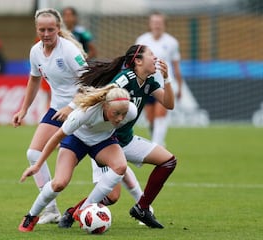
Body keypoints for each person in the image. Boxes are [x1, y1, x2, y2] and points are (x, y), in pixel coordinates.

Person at [59, 44, 177, 229]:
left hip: (126, 141)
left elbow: (169, 104)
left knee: (168, 161)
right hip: (105, 143)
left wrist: (167, 78)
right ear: (138, 61)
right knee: (112, 197)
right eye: (151, 55)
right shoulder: (124, 79)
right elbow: (98, 96)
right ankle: (73, 212)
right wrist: (71, 107)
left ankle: (142, 208)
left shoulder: (149, 82)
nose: (155, 58)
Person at [18, 84, 138, 232]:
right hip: (76, 140)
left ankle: (83, 209)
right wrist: (37, 165)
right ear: (105, 106)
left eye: (123, 113)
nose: (120, 118)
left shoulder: (131, 111)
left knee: (120, 166)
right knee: (59, 183)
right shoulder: (84, 113)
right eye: (116, 113)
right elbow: (56, 138)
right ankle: (31, 216)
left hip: (103, 141)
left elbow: (123, 130)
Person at [12, 8, 87, 225]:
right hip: (56, 110)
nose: (46, 34)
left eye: (50, 29)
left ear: (58, 28)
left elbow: (90, 81)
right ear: (37, 29)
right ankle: (51, 209)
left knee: (107, 163)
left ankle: (142, 203)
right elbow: (34, 79)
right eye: (42, 29)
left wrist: (72, 106)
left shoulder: (69, 50)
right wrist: (24, 109)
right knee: (33, 153)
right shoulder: (35, 51)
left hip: (82, 109)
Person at [136, 12, 183, 146]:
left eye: (159, 23)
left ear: (164, 25)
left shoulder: (172, 42)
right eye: (154, 22)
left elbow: (176, 66)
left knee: (160, 115)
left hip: (164, 84)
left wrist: (179, 87)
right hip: (146, 84)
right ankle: (158, 142)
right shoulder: (142, 40)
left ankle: (156, 145)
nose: (157, 25)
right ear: (150, 24)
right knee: (150, 119)